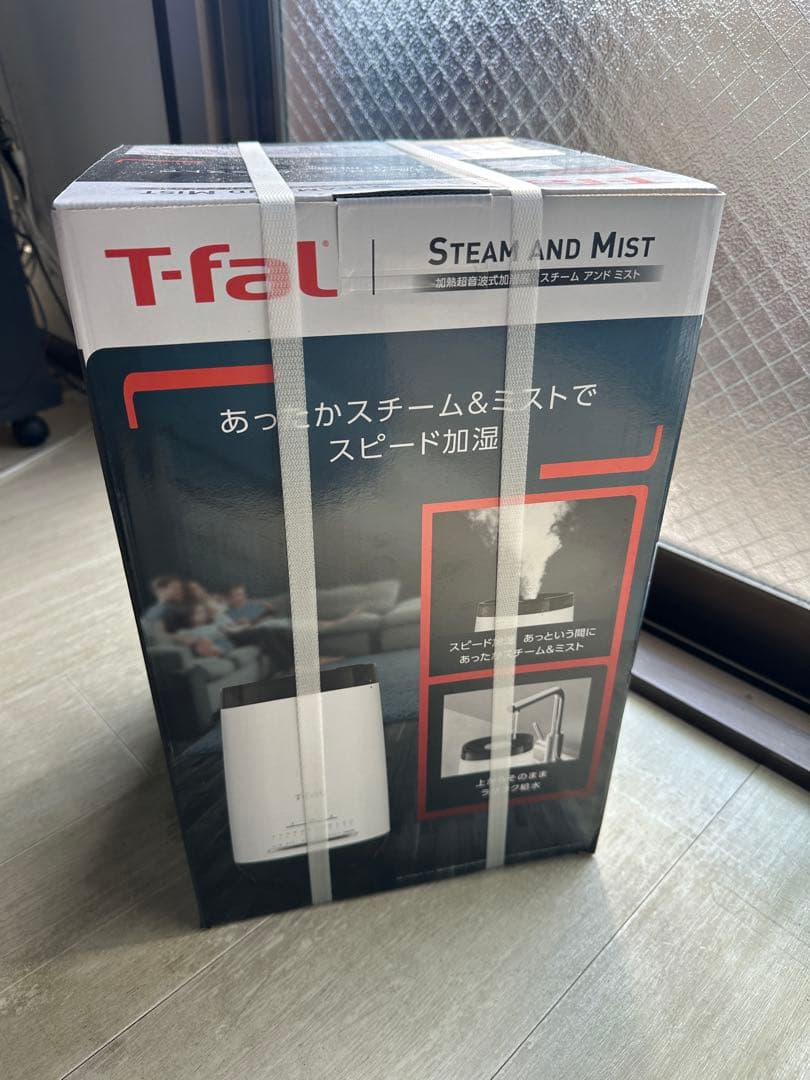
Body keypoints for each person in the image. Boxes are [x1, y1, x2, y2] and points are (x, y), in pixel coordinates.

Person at [164, 602, 235, 659]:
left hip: (221, 644)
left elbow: (225, 633)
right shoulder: (185, 631)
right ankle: (213, 653)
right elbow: (174, 636)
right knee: (201, 643)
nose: (203, 614)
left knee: (211, 642)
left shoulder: (213, 626)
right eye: (198, 612)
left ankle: (216, 652)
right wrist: (197, 640)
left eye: (203, 612)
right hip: (201, 647)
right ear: (190, 616)